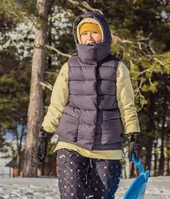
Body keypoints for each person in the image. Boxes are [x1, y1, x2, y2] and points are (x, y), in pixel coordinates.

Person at [36, 12, 141, 199]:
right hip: (71, 143)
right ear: (78, 37)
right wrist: (45, 134)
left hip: (107, 146)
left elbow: (127, 105)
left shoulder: (118, 67)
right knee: (72, 195)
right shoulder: (69, 66)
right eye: (84, 33)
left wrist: (134, 135)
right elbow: (56, 105)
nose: (89, 37)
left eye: (94, 32)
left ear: (104, 35)